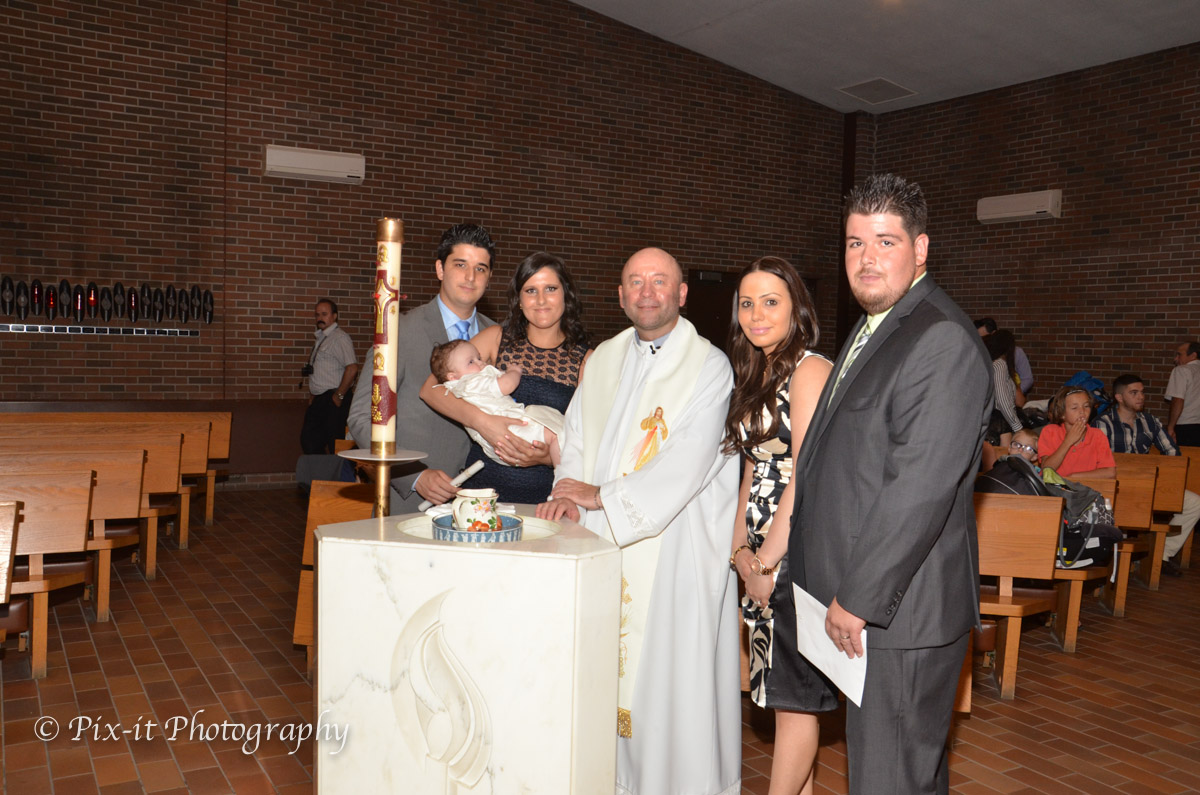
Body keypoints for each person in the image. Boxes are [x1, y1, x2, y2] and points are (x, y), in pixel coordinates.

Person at [788, 174, 992, 795]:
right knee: (896, 776)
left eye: (885, 241)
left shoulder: (940, 338)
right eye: (855, 243)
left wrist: (858, 598)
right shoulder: (877, 324)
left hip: (900, 613)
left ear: (920, 248)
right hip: (871, 603)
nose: (867, 259)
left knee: (889, 778)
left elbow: (920, 487)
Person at [536, 247, 741, 795]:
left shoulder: (710, 366)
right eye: (635, 282)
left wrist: (603, 496)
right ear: (621, 295)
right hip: (602, 538)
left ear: (682, 293)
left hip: (673, 551)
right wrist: (569, 495)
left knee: (668, 685)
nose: (647, 292)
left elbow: (689, 460)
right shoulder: (604, 358)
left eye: (659, 281)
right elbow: (577, 438)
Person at [723, 256, 836, 795]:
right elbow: (751, 468)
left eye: (771, 302)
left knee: (794, 702)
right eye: (747, 303)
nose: (757, 314)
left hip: (796, 547)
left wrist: (767, 561)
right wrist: (739, 552)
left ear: (797, 308)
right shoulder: (757, 371)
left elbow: (805, 474)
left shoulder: (810, 370)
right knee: (780, 695)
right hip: (760, 549)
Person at [346, 223, 496, 513]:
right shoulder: (400, 331)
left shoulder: (499, 337)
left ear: (489, 277)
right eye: (460, 265)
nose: (470, 276)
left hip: (481, 502)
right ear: (440, 269)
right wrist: (414, 475)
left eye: (481, 268)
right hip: (412, 503)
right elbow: (363, 417)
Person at [420, 251, 591, 503]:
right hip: (483, 493)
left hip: (549, 498)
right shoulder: (496, 338)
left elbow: (591, 439)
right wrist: (483, 422)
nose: (541, 299)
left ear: (566, 294)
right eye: (530, 291)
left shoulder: (586, 360)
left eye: (551, 289)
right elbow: (431, 389)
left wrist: (545, 457)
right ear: (519, 300)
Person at [1096, 373, 1199, 576]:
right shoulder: (1104, 423)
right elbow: (1098, 459)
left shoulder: (1150, 421)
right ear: (1119, 397)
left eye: (1142, 392)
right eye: (1134, 393)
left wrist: (1162, 473)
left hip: (1148, 484)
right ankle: (1117, 559)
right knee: (1124, 509)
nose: (1141, 397)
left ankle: (1161, 554)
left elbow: (1172, 454)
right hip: (1117, 486)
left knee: (1194, 503)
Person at [428, 338, 563, 467]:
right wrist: (514, 372)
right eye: (471, 362)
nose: (481, 363)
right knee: (556, 434)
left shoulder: (456, 389)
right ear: (453, 377)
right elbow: (507, 385)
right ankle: (563, 476)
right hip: (513, 432)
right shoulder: (471, 382)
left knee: (558, 436)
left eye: (479, 357)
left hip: (498, 446)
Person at [300, 298, 358, 455]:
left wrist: (338, 396)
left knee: (336, 444)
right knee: (310, 441)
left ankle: (339, 471)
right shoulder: (322, 338)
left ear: (335, 316)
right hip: (320, 400)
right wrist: (313, 396)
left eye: (324, 314)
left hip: (333, 399)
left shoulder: (340, 338)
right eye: (317, 315)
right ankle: (322, 470)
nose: (320, 318)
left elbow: (352, 368)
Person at [1038, 386, 1116, 478]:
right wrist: (1068, 441)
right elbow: (1046, 469)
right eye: (1074, 408)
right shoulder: (1049, 431)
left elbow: (1110, 472)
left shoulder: (1097, 435)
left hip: (1085, 486)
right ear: (1062, 414)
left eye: (1086, 406)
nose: (1082, 411)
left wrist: (1074, 477)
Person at [975, 316, 1034, 396]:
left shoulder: (1016, 352)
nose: (981, 341)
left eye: (985, 337)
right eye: (978, 338)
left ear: (994, 334)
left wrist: (1013, 394)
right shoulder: (978, 352)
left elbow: (1027, 379)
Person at [984, 330, 1023, 447]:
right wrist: (1018, 427)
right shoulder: (1000, 365)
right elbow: (1002, 400)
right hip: (1000, 422)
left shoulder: (990, 364)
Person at [1166, 341, 1200, 446]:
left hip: (1187, 426)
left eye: (1179, 354)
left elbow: (1178, 400)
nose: (1175, 359)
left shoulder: (1182, 370)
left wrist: (1170, 427)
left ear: (1193, 355)